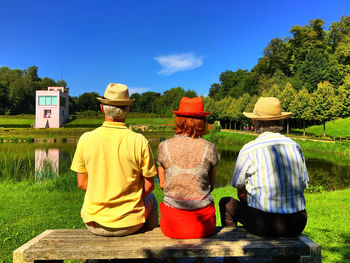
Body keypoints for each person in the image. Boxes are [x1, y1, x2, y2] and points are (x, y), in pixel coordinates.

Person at [71, 83, 158, 236]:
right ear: (128, 110)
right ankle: (151, 249)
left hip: (94, 222)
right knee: (152, 199)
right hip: (131, 223)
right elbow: (149, 186)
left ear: (102, 108)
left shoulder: (86, 139)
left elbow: (82, 183)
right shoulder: (139, 141)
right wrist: (129, 199)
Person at [219, 97, 309, 237]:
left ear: (254, 123)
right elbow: (303, 182)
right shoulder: (295, 146)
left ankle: (231, 257)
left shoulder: (249, 149)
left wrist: (246, 196)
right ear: (281, 121)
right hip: (297, 223)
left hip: (264, 224)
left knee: (226, 203)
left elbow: (238, 184)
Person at [157, 97, 218, 239]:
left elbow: (163, 184)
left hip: (172, 225)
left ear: (178, 120)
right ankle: (199, 260)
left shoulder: (163, 146)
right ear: (202, 121)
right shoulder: (210, 148)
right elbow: (211, 185)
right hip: (204, 226)